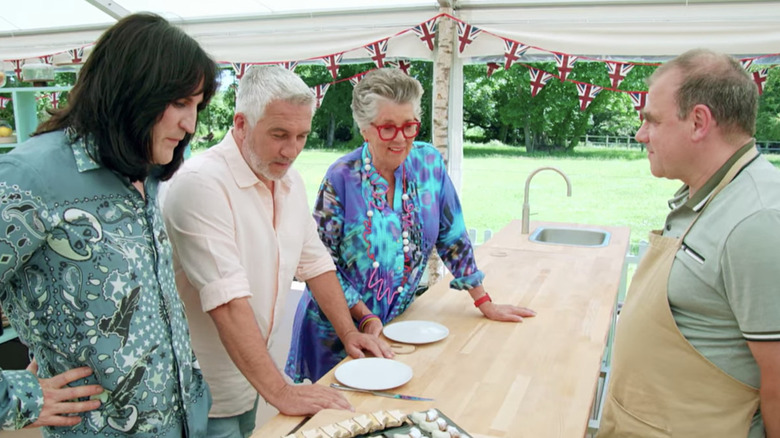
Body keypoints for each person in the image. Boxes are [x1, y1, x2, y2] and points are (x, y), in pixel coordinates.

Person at [0, 13, 218, 437]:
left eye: (196, 106)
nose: (190, 124)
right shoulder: (30, 177)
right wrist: (21, 395)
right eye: (179, 103)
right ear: (132, 89)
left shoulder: (144, 170)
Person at [162, 65, 393, 438]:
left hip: (251, 380)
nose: (293, 150)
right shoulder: (200, 184)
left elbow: (315, 262)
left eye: (302, 135)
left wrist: (349, 333)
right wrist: (282, 391)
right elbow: (227, 301)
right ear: (240, 124)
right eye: (279, 134)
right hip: (201, 391)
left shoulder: (287, 179)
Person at [285, 67, 536, 383]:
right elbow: (320, 265)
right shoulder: (342, 178)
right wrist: (364, 318)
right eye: (388, 128)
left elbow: (452, 235)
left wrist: (484, 300)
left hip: (392, 327)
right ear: (365, 128)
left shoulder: (428, 163)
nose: (401, 138)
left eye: (409, 126)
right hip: (335, 333)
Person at [598, 49, 780, 437]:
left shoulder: (759, 221)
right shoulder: (708, 195)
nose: (640, 134)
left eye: (652, 121)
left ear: (698, 122)